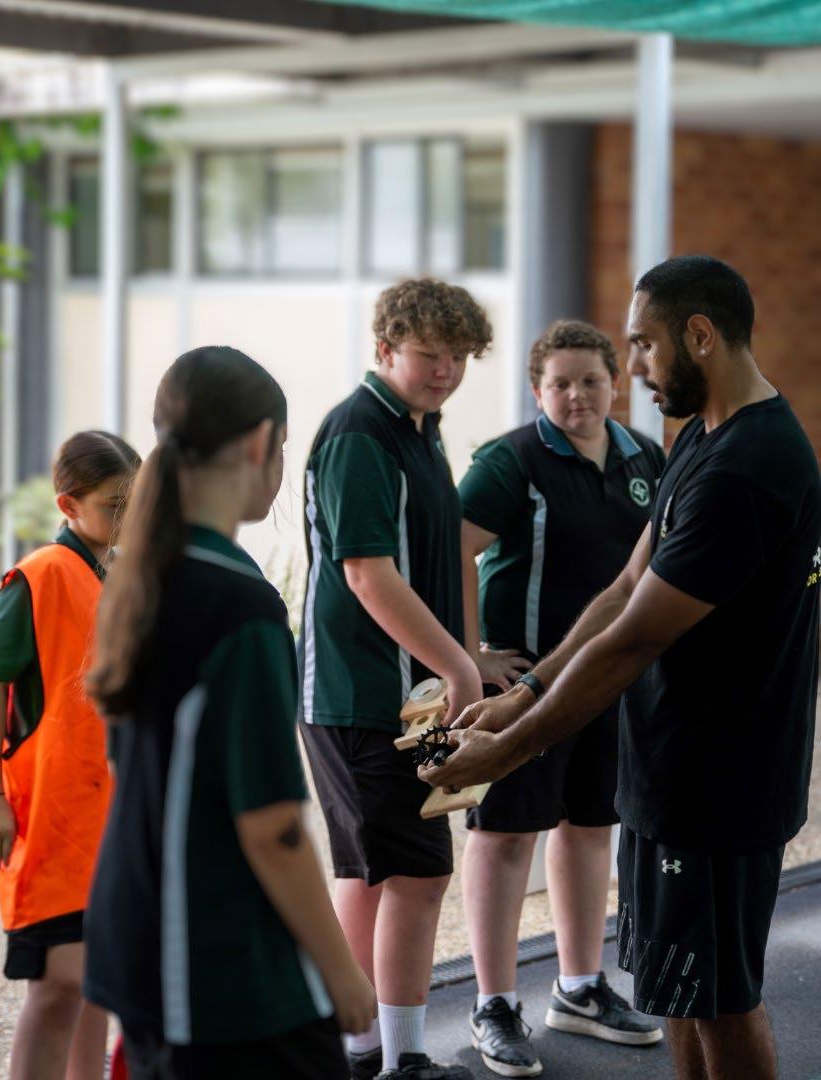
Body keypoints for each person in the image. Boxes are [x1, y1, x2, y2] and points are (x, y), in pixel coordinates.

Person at [422, 256, 820, 1080]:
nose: (634, 366)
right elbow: (627, 584)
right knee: (678, 990)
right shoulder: (703, 438)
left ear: (699, 335)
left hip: (720, 788)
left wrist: (507, 750)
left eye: (644, 344)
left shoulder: (751, 468)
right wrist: (524, 694)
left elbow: (635, 638)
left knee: (723, 1000)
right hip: (670, 776)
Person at [84, 345, 376, 1079]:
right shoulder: (241, 607)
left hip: (136, 932)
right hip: (213, 960)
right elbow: (273, 829)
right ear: (259, 442)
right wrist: (341, 970)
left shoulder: (141, 575)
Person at [456, 320, 664, 1076]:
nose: (577, 395)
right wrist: (471, 656)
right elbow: (455, 548)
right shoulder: (511, 461)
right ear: (536, 390)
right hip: (526, 689)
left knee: (590, 826)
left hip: (609, 683)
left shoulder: (645, 457)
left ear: (615, 383)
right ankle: (493, 1003)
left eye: (591, 381)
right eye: (560, 384)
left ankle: (579, 987)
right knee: (507, 836)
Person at [298, 279, 487, 1080]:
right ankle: (395, 1058)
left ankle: (364, 1053)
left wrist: (464, 659)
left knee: (373, 874)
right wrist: (458, 663)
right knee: (417, 870)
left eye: (459, 357)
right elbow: (368, 574)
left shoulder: (418, 428)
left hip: (409, 693)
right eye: (429, 354)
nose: (445, 370)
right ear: (384, 349)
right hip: (364, 693)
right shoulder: (360, 432)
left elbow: (439, 562)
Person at [0, 430, 139, 1080]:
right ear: (68, 505)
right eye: (115, 505)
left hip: (101, 817)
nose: (128, 517)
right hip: (50, 816)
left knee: (91, 982)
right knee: (58, 986)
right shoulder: (39, 575)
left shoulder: (117, 573)